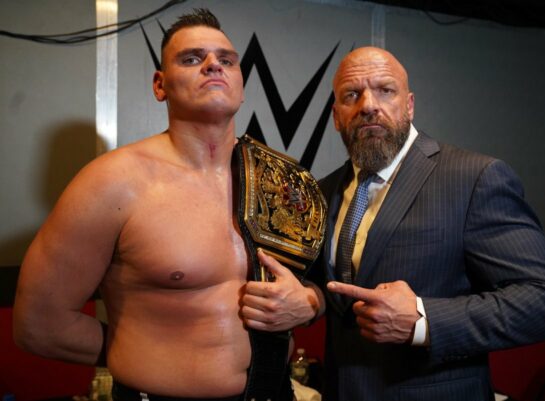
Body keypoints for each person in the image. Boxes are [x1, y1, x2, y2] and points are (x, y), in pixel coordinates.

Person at [13, 8, 322, 401]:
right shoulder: (112, 183)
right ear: (160, 85)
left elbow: (319, 286)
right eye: (192, 59)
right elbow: (38, 325)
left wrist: (309, 303)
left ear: (241, 85)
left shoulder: (283, 181)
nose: (213, 65)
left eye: (226, 60)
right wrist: (139, 354)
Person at [311, 46, 545, 401]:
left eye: (385, 90)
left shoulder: (474, 178)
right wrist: (309, 298)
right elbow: (335, 292)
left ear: (409, 105)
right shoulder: (323, 190)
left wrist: (424, 320)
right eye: (351, 95)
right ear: (336, 116)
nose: (368, 105)